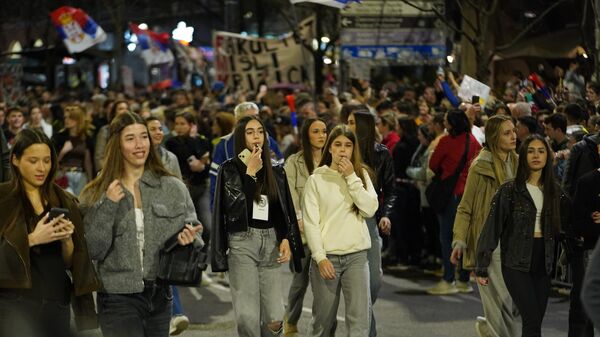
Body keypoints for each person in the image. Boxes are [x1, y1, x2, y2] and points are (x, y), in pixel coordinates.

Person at [79, 112, 203, 337]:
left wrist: (189, 240)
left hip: (160, 296)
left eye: (143, 137)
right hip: (117, 298)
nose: (140, 145)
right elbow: (92, 249)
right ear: (117, 144)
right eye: (130, 138)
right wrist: (108, 205)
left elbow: (194, 230)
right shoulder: (96, 191)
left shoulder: (172, 187)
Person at [0, 128, 99, 337]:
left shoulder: (65, 200)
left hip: (57, 301)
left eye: (47, 160)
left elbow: (69, 263)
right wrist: (32, 239)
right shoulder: (3, 198)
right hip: (14, 304)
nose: (42, 168)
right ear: (16, 160)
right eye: (33, 161)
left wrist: (67, 242)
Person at [211, 115, 303, 337]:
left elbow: (282, 209)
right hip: (242, 243)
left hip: (271, 241)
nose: (256, 137)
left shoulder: (275, 169)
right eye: (250, 132)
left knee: (274, 318)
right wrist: (250, 173)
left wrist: (285, 239)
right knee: (247, 318)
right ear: (241, 137)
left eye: (260, 131)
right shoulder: (230, 169)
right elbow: (233, 209)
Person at [476, 135, 566, 337]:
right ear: (524, 156)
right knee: (532, 320)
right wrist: (482, 265)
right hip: (515, 262)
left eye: (541, 151)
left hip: (544, 262)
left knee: (535, 321)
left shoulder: (555, 191)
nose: (536, 155)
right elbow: (492, 227)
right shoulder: (509, 190)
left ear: (548, 157)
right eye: (531, 151)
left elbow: (571, 222)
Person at [302, 124, 379, 337]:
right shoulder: (316, 179)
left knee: (359, 322)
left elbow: (370, 209)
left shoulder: (361, 175)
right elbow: (311, 223)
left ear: (353, 149)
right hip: (327, 259)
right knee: (322, 323)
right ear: (330, 149)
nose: (343, 149)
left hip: (357, 257)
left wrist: (352, 178)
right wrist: (320, 257)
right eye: (338, 145)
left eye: (348, 145)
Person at [450, 115, 520, 337]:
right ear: (493, 137)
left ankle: (487, 328)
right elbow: (465, 207)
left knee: (512, 305)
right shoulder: (480, 166)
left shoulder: (520, 163)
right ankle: (492, 329)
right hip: (489, 245)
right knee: (501, 305)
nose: (514, 136)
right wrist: (459, 240)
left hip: (516, 244)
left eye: (514, 131)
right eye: (507, 133)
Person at [347, 110, 394, 337]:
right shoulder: (341, 151)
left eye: (351, 122)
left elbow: (390, 190)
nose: (347, 126)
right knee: (360, 289)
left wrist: (386, 214)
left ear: (363, 126)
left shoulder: (381, 153)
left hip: (370, 221)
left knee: (373, 282)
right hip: (345, 222)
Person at [427, 110, 482, 295]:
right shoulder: (474, 142)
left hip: (451, 195)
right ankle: (464, 280)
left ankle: (448, 278)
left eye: (445, 121)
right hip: (470, 195)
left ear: (451, 124)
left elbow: (433, 165)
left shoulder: (446, 141)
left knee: (446, 238)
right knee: (465, 237)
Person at [283, 117, 328, 336]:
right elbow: (289, 192)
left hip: (328, 232)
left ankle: (321, 328)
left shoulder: (333, 160)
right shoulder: (294, 161)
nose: (321, 135)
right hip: (302, 232)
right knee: (299, 281)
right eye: (316, 131)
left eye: (324, 131)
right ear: (306, 135)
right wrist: (298, 218)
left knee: (324, 286)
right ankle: (290, 321)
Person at [145, 116, 190, 336]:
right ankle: (169, 314)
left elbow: (178, 186)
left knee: (165, 267)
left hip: (166, 218)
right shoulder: (136, 156)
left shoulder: (169, 157)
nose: (158, 132)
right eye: (152, 129)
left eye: (160, 128)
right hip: (144, 219)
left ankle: (175, 314)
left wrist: (181, 218)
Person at [209, 102, 283, 207]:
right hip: (238, 206)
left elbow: (281, 176)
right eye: (249, 117)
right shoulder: (223, 145)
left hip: (267, 206)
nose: (254, 120)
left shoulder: (268, 141)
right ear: (238, 120)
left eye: (257, 116)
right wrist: (214, 208)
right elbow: (215, 182)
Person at [165, 111, 212, 233]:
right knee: (185, 226)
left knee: (207, 225)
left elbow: (206, 168)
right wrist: (199, 160)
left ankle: (204, 251)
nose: (179, 127)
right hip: (183, 190)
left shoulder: (203, 141)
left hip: (201, 188)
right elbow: (186, 154)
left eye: (182, 124)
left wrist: (200, 165)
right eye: (177, 124)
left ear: (192, 125)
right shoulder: (171, 142)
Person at [52, 104, 94, 196]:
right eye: (65, 118)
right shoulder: (58, 138)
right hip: (64, 175)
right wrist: (63, 152)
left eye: (70, 118)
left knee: (80, 204)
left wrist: (91, 181)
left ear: (78, 120)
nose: (66, 120)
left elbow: (88, 163)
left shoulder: (86, 138)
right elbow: (53, 161)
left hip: (81, 175)